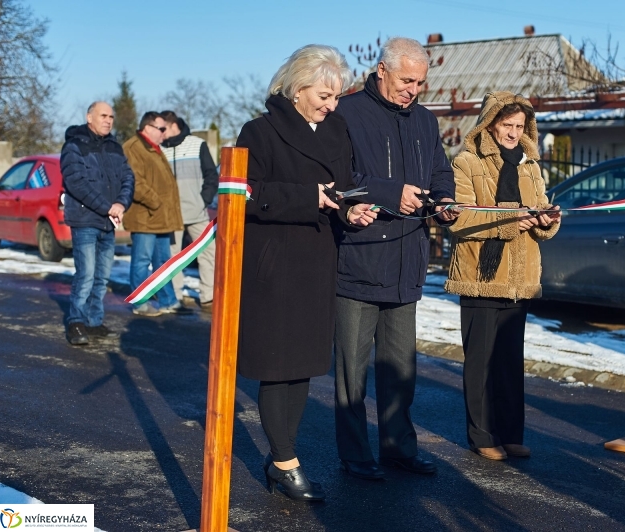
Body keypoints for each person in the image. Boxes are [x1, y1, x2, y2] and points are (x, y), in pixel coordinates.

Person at [235, 44, 377, 502]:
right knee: (277, 366)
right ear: (297, 89)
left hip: (318, 258)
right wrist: (309, 198)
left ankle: (282, 458)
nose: (332, 104)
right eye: (324, 94)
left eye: (337, 96)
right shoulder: (258, 132)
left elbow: (345, 186)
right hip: (275, 262)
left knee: (302, 366)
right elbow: (246, 194)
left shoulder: (336, 130)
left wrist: (351, 212)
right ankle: (284, 460)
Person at [334, 37, 458, 480]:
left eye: (421, 82)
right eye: (407, 80)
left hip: (408, 262)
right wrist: (389, 194)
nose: (414, 90)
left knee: (400, 371)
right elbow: (337, 179)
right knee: (352, 372)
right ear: (381, 70)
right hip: (359, 261)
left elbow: (440, 171)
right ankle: (354, 454)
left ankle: (398, 448)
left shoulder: (426, 120)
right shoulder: (346, 113)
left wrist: (444, 200)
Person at [443, 91, 561, 461]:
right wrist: (512, 220)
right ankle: (482, 436)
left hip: (520, 277)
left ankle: (511, 434)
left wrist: (546, 221)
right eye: (506, 125)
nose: (513, 132)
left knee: (510, 361)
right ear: (490, 123)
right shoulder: (465, 162)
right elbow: (460, 219)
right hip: (481, 274)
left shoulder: (530, 166)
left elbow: (541, 222)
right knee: (480, 363)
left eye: (519, 126)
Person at [60, 102, 135, 345]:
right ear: (89, 116)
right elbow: (77, 183)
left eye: (111, 116)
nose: (108, 120)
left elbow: (128, 178)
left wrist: (121, 204)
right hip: (85, 221)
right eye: (103, 115)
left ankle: (94, 321)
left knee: (102, 276)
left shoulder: (114, 147)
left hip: (108, 222)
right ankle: (76, 323)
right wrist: (108, 207)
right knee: (86, 274)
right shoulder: (74, 146)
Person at [123, 112, 190, 316]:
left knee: (163, 261)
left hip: (160, 218)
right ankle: (140, 302)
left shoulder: (154, 148)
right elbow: (136, 182)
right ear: (148, 128)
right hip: (145, 217)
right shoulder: (133, 148)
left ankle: (168, 301)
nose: (164, 133)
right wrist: (156, 202)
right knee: (142, 260)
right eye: (161, 129)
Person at [159, 110, 218, 311]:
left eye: (162, 128)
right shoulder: (158, 149)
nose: (160, 132)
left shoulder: (196, 144)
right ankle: (175, 297)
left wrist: (203, 200)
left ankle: (208, 297)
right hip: (170, 215)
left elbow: (211, 175)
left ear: (173, 125)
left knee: (209, 253)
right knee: (172, 257)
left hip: (197, 212)